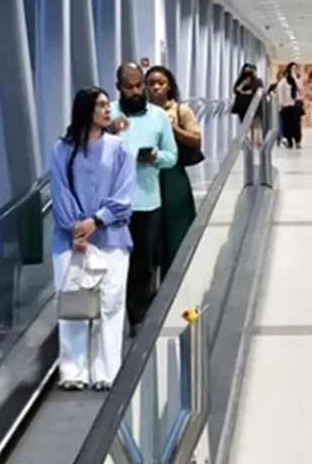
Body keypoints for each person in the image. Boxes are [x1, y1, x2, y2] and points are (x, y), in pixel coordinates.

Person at [49, 88, 134, 390]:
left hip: (111, 237)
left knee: (111, 305)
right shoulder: (63, 149)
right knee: (73, 303)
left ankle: (107, 371)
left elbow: (124, 195)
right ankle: (72, 371)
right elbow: (58, 191)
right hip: (70, 241)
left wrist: (97, 221)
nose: (107, 109)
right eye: (100, 105)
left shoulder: (120, 148)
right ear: (86, 110)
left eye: (107, 104)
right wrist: (76, 228)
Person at [115, 63, 179, 330]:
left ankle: (138, 318)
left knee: (144, 264)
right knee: (115, 266)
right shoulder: (110, 117)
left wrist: (155, 157)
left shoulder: (159, 117)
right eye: (129, 87)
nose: (136, 90)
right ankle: (116, 318)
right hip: (114, 205)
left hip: (147, 202)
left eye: (139, 84)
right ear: (119, 87)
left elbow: (172, 157)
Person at [147, 65, 202, 268]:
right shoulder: (143, 113)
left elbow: (196, 139)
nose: (156, 88)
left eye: (160, 83)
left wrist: (173, 128)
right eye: (151, 83)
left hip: (173, 175)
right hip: (147, 175)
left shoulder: (180, 110)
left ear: (169, 86)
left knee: (176, 226)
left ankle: (178, 272)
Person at [276, 63, 305, 148]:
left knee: (296, 123)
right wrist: (281, 104)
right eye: (292, 68)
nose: (294, 70)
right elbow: (280, 93)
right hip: (286, 105)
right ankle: (289, 140)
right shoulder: (283, 82)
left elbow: (301, 89)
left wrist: (295, 78)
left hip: (296, 105)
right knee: (287, 124)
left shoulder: (298, 80)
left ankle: (297, 141)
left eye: (296, 68)